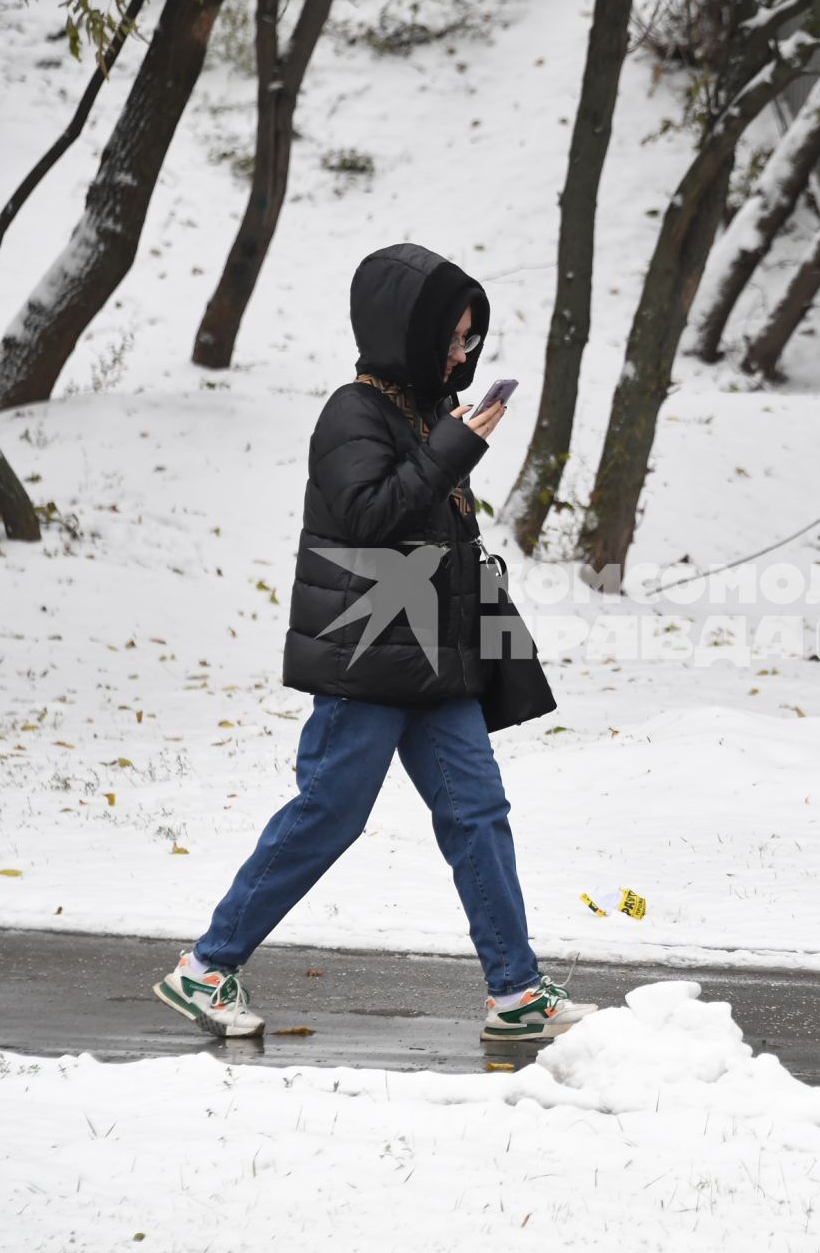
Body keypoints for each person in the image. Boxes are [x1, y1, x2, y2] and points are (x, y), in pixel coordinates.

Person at [154, 243, 595, 1043]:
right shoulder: (352, 412)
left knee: (479, 813)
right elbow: (369, 520)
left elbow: (427, 522)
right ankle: (207, 969)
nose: (465, 353)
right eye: (454, 338)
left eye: (471, 340)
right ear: (410, 333)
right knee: (330, 813)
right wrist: (453, 448)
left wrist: (451, 446)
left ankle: (516, 991)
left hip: (434, 659)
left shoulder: (425, 412)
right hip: (369, 658)